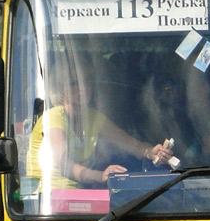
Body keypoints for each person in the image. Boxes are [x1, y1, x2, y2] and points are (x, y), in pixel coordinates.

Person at [27, 73, 174, 189]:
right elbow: (64, 165)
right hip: (46, 198)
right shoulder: (53, 117)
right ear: (60, 89)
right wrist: (101, 175)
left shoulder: (92, 117)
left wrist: (150, 151)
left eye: (86, 81)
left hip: (74, 196)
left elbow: (131, 144)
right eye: (74, 83)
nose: (83, 87)